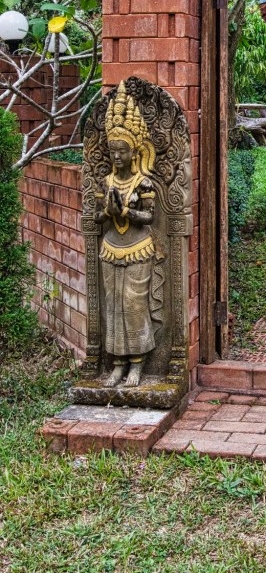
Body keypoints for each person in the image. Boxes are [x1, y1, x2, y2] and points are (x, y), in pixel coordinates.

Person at [95, 81, 163, 387]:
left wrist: (125, 212)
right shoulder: (107, 180)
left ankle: (138, 364)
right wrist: (109, 212)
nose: (117, 155)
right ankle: (118, 364)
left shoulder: (143, 182)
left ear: (134, 151)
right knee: (113, 306)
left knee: (134, 305)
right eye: (113, 150)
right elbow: (99, 217)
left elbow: (149, 217)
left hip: (138, 248)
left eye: (122, 150)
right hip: (111, 248)